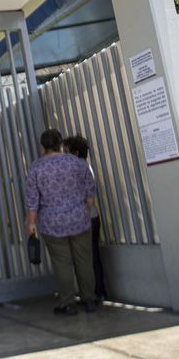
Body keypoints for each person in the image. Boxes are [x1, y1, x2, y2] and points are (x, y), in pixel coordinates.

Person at [24, 128, 97, 315]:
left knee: (62, 263)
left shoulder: (36, 168)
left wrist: (31, 224)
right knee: (84, 261)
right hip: (80, 218)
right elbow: (90, 194)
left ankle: (68, 302)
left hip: (52, 222)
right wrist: (81, 211)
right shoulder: (78, 164)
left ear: (42, 147)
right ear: (60, 143)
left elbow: (32, 201)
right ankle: (89, 299)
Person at [64, 134, 107, 303]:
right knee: (91, 257)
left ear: (74, 153)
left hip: (85, 219)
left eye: (66, 152)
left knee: (86, 259)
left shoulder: (79, 169)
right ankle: (97, 292)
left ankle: (94, 294)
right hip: (90, 217)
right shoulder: (84, 167)